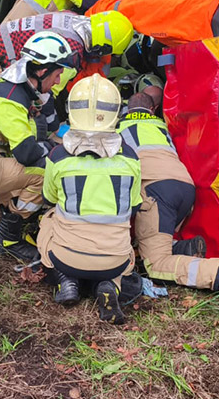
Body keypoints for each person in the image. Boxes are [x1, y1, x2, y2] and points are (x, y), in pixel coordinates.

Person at [118, 90, 219, 306]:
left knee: (155, 263)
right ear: (152, 109)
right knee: (150, 242)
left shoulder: (119, 128)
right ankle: (185, 249)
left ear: (127, 109)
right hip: (184, 187)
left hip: (157, 192)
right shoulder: (161, 126)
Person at [37, 74, 141, 324]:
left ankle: (66, 280)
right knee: (123, 263)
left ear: (72, 110)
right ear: (116, 112)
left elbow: (49, 197)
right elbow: (134, 208)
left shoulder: (58, 156)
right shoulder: (131, 159)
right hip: (115, 260)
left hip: (67, 257)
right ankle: (110, 286)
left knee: (49, 218)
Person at [0, 31, 74, 261]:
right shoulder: (9, 97)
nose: (57, 82)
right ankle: (8, 239)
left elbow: (37, 135)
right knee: (45, 172)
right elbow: (26, 153)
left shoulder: (21, 89)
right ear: (42, 71)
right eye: (56, 75)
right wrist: (56, 150)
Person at [0, 10, 135, 89]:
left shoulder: (73, 18)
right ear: (102, 46)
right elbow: (48, 89)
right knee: (6, 104)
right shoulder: (71, 50)